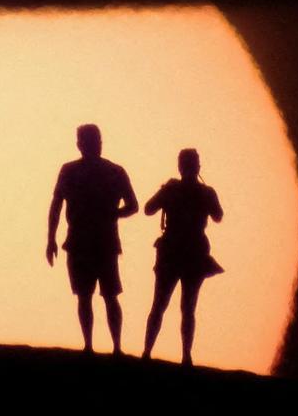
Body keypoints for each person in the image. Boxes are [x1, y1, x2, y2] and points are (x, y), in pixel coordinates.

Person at [47, 124, 138, 355]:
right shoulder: (78, 171)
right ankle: (96, 345)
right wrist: (50, 239)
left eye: (94, 140)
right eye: (90, 141)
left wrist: (111, 214)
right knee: (91, 296)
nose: (92, 145)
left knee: (104, 296)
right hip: (85, 243)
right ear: (81, 144)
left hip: (98, 243)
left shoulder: (110, 171)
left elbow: (133, 206)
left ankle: (110, 346)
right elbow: (56, 205)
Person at [141, 148, 223, 367]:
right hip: (194, 252)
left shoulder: (171, 189)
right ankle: (186, 356)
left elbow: (148, 209)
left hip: (171, 251)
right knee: (188, 307)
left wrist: (166, 191)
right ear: (197, 167)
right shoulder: (206, 192)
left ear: (180, 167)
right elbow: (218, 216)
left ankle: (147, 352)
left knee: (159, 304)